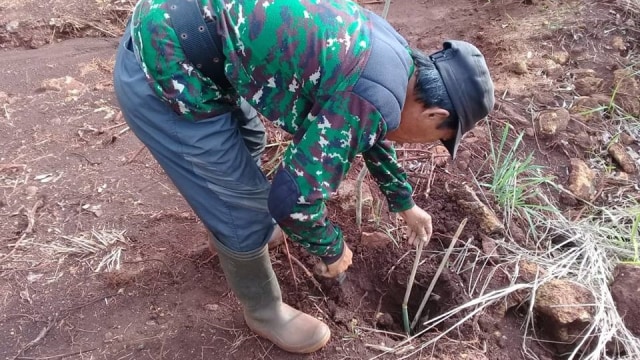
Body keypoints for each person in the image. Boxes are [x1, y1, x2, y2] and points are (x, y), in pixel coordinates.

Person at [113, 0, 494, 354]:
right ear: (434, 116)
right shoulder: (372, 100)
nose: (430, 145)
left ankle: (228, 226)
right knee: (247, 213)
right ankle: (263, 310)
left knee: (250, 139)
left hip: (191, 35)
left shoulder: (395, 57)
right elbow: (290, 202)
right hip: (162, 69)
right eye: (439, 140)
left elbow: (368, 127)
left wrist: (403, 200)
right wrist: (331, 248)